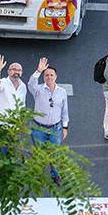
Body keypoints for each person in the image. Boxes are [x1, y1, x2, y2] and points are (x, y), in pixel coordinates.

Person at [27, 56, 70, 184]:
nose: (49, 77)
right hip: (38, 128)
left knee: (54, 154)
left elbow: (65, 110)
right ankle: (38, 174)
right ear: (43, 77)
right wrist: (38, 71)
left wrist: (65, 127)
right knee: (39, 153)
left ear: (56, 77)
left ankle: (55, 174)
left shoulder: (62, 92)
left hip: (55, 128)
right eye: (46, 75)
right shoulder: (38, 90)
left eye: (51, 75)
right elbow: (30, 83)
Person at [0, 54, 26, 125]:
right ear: (8, 71)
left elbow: (22, 105)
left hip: (16, 125)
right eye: (14, 69)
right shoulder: (3, 82)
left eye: (19, 70)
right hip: (1, 123)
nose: (17, 72)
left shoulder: (23, 86)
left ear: (21, 73)